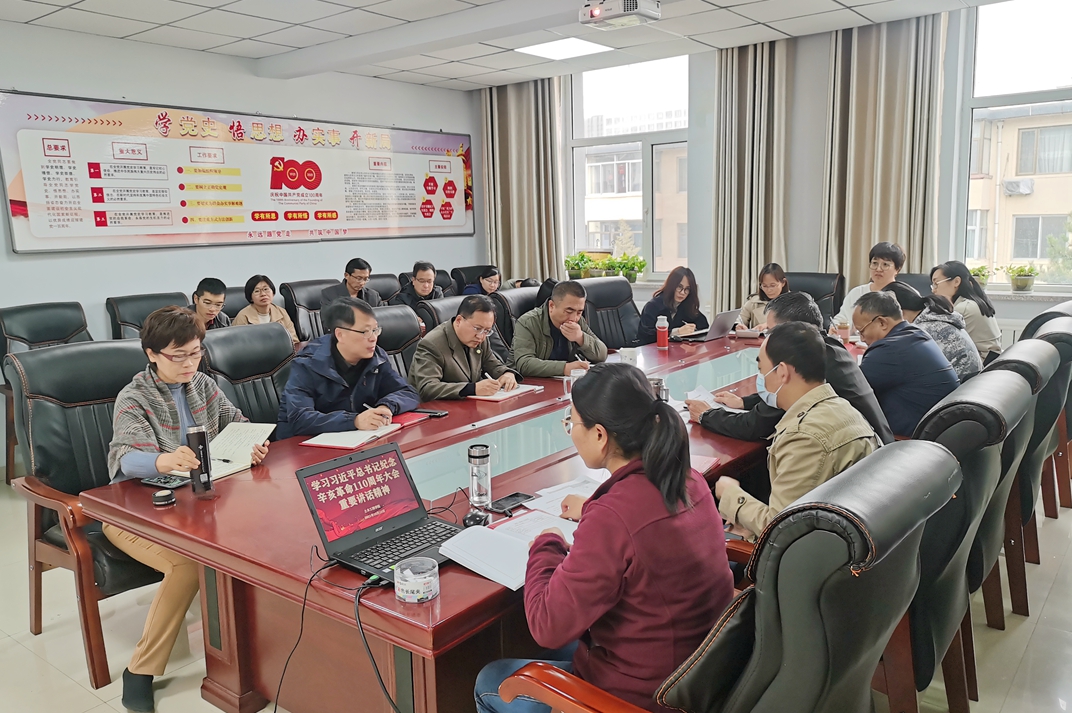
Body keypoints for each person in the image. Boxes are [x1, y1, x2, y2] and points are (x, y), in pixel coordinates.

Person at [473, 362, 734, 713]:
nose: (571, 431)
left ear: (599, 435)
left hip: (638, 698)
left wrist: (547, 543)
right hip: (698, 677)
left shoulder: (614, 517)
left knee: (491, 680)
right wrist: (593, 510)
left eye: (572, 422)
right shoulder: (688, 479)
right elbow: (643, 527)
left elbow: (547, 625)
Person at [106, 306, 268, 712]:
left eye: (195, 353)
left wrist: (251, 443)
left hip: (195, 502)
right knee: (188, 564)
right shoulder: (134, 396)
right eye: (178, 356)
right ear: (151, 354)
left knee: (262, 529)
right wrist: (164, 460)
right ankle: (140, 670)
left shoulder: (202, 384)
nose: (189, 363)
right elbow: (127, 458)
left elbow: (236, 422)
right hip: (134, 510)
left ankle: (260, 651)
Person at [714, 322, 880, 540]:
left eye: (761, 370)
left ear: (782, 372)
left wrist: (730, 495)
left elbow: (781, 531)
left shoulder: (804, 437)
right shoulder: (844, 409)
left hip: (816, 552)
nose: (761, 379)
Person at [688, 291, 894, 445]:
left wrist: (707, 415)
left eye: (772, 332)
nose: (769, 340)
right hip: (876, 455)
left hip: (863, 466)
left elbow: (754, 426)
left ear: (793, 330)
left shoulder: (807, 360)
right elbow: (777, 401)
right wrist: (744, 402)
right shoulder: (829, 346)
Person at [276, 297, 419, 439]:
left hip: (356, 439)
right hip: (302, 444)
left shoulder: (376, 357)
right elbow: (299, 419)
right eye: (365, 332)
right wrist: (354, 421)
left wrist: (386, 407)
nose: (373, 338)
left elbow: (408, 392)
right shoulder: (307, 363)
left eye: (375, 330)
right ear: (340, 334)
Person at [853, 291, 959, 438]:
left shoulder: (889, 350)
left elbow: (852, 390)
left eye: (862, 331)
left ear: (882, 322)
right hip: (942, 431)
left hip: (911, 440)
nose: (862, 338)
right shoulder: (915, 334)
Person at [409, 295, 521, 400]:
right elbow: (427, 387)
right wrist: (472, 389)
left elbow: (492, 364)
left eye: (487, 330)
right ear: (459, 321)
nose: (481, 336)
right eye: (477, 328)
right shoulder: (432, 344)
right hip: (438, 408)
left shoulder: (480, 337)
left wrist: (507, 374)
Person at [882, 281, 981, 381]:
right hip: (970, 384)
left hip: (958, 387)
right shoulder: (936, 316)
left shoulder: (921, 331)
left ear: (899, 312)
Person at [512, 281, 608, 378]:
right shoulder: (528, 322)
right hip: (529, 383)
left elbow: (602, 355)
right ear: (551, 306)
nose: (574, 318)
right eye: (569, 311)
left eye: (579, 312)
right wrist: (565, 368)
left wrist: (581, 338)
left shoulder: (578, 321)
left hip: (564, 381)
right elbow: (524, 364)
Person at [929, 260, 1002, 363]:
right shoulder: (973, 302)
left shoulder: (963, 308)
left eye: (936, 283)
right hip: (990, 361)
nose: (933, 290)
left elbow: (939, 339)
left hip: (981, 365)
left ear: (956, 282)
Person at [831, 242, 906, 327]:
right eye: (874, 263)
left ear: (897, 269)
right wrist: (835, 328)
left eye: (885, 264)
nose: (878, 269)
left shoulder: (905, 296)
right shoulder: (857, 292)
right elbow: (841, 319)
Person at [635, 266, 710, 345]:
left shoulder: (684, 305)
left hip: (674, 349)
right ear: (671, 286)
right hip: (652, 350)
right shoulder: (653, 306)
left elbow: (704, 325)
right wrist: (676, 332)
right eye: (679, 287)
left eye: (687, 289)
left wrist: (693, 328)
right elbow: (647, 336)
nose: (682, 292)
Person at [231, 274, 299, 343]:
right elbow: (238, 343)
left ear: (273, 293)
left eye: (266, 289)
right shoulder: (243, 316)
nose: (263, 294)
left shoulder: (282, 312)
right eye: (257, 291)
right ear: (250, 297)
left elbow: (293, 341)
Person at [735, 263, 789, 331]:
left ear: (783, 283)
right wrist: (738, 325)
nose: (769, 290)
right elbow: (738, 318)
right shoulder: (754, 302)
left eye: (773, 285)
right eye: (764, 286)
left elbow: (795, 324)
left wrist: (768, 325)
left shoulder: (794, 301)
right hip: (759, 338)